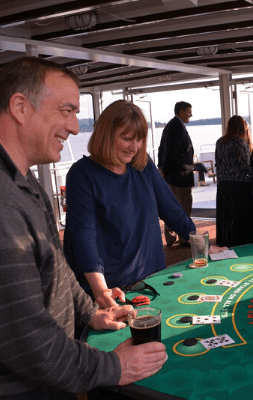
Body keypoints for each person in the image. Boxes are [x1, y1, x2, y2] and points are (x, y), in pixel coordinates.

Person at [0, 57, 166, 399]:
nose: (75, 128)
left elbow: (58, 271)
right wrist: (114, 367)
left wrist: (92, 313)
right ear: (19, 107)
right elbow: (30, 342)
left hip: (51, 378)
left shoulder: (23, 182)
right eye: (66, 111)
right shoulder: (4, 202)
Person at [63, 100, 197, 309]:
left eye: (139, 139)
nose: (134, 147)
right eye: (127, 139)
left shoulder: (143, 164)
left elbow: (171, 209)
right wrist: (101, 292)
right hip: (113, 293)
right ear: (106, 135)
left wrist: (201, 244)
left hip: (153, 283)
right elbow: (84, 238)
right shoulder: (82, 174)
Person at [215, 115, 253, 247]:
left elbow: (218, 162)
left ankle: (228, 241)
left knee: (231, 215)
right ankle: (239, 243)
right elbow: (245, 165)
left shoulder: (220, 142)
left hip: (224, 184)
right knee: (241, 217)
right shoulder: (239, 142)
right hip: (240, 184)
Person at [157, 101, 194, 246]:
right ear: (181, 112)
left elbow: (162, 149)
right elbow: (172, 152)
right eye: (189, 112)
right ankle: (185, 237)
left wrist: (162, 168)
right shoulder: (178, 127)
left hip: (172, 175)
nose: (191, 115)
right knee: (184, 205)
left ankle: (171, 237)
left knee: (172, 206)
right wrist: (164, 169)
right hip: (180, 175)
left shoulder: (170, 126)